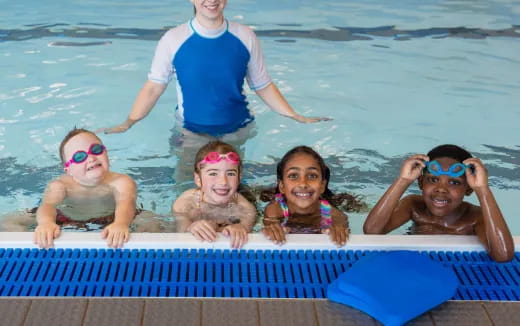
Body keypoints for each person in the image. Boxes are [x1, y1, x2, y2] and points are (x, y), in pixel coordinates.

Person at [98, 0, 330, 191]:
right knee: (188, 186)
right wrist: (129, 121)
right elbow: (153, 87)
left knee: (233, 187)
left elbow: (262, 84)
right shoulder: (173, 39)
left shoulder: (245, 36)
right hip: (191, 132)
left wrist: (294, 116)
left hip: (238, 130)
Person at [0, 128, 159, 248]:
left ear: (106, 153)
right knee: (9, 221)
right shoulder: (60, 185)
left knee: (153, 223)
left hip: (112, 218)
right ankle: (34, 253)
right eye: (79, 157)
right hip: (66, 218)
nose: (90, 158)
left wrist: (121, 223)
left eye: (96, 150)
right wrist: (46, 223)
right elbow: (48, 206)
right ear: (68, 169)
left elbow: (126, 203)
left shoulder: (121, 181)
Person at [363, 144, 514, 262]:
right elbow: (372, 231)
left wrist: (482, 189)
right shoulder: (413, 206)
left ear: (468, 189)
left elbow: (503, 255)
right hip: (414, 264)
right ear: (421, 183)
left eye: (454, 183)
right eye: (433, 180)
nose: (441, 189)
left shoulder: (476, 217)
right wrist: (403, 180)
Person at [172, 140, 256, 249]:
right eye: (213, 173)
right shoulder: (185, 203)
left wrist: (240, 228)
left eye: (230, 173)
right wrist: (191, 227)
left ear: (239, 178)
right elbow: (181, 234)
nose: (223, 181)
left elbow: (247, 234)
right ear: (198, 179)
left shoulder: (246, 209)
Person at [261, 146, 349, 246]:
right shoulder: (275, 210)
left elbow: (342, 234)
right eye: (293, 176)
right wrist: (272, 229)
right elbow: (272, 233)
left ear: (322, 186)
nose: (303, 184)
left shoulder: (334, 215)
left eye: (312, 176)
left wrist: (339, 230)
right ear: (282, 186)